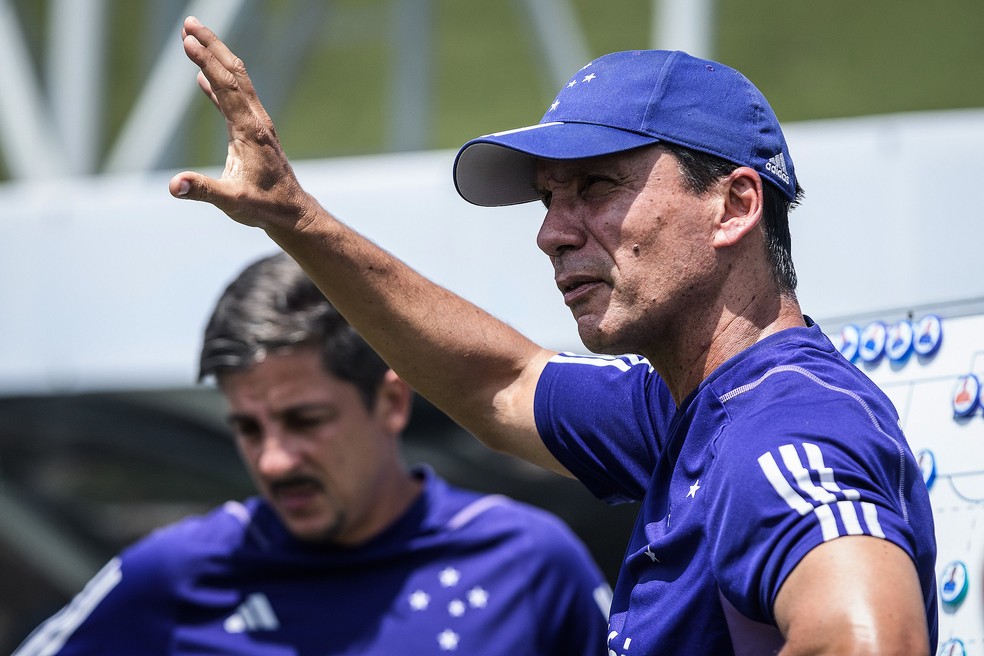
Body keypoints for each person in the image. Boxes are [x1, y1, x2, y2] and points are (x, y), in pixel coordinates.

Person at [166, 16, 939, 655]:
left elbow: (877, 643)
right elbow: (497, 383)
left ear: (734, 206)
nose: (551, 235)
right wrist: (294, 217)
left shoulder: (782, 426)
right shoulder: (680, 409)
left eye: (598, 186)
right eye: (546, 199)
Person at [13, 252, 613, 655]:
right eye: (249, 428)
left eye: (305, 421)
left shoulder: (529, 563)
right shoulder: (174, 573)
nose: (274, 460)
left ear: (391, 403)